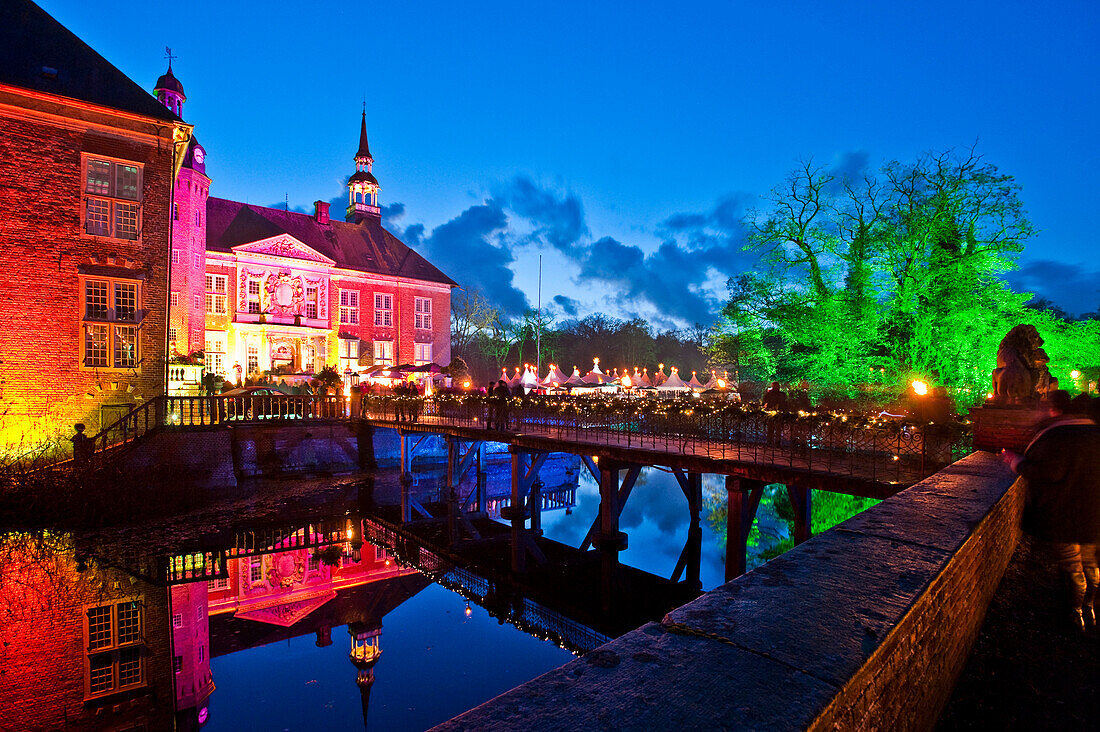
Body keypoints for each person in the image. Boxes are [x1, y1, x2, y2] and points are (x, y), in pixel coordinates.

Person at [1001, 390, 1100, 631]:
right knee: (1091, 561)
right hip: (1094, 513)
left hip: (1065, 512)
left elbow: (1049, 473)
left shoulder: (1059, 437)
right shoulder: (1096, 434)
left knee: (1071, 563)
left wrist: (1017, 462)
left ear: (1057, 411)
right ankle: (1090, 607)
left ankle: (1074, 613)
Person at [761, 381, 787, 447]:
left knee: (772, 427)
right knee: (776, 428)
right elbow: (784, 402)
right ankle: (776, 442)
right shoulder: (781, 394)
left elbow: (764, 401)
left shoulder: (770, 394)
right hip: (778, 412)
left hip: (772, 412)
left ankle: (770, 441)